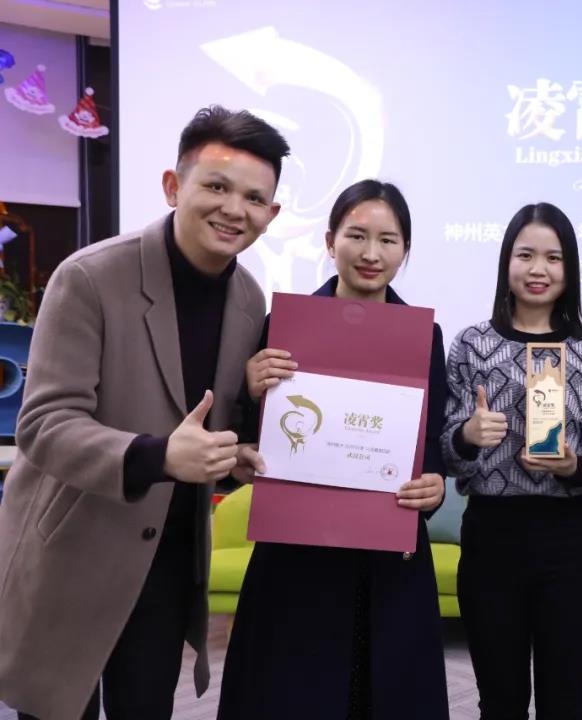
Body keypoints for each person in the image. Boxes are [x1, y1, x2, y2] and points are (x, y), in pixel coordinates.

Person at [0, 106, 289, 720]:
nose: (234, 209)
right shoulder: (90, 277)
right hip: (71, 552)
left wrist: (233, 455)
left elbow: (205, 424)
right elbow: (44, 425)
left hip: (166, 561)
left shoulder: (248, 298)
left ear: (272, 214)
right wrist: (159, 456)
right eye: (216, 186)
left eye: (254, 198)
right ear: (172, 186)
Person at [217, 179, 449, 720]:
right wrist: (250, 387)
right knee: (292, 693)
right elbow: (248, 438)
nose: (371, 253)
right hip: (300, 552)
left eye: (388, 240)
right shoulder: (284, 326)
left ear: (405, 251)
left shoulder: (426, 337)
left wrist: (434, 485)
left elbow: (431, 443)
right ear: (329, 241)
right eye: (357, 235)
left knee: (382, 691)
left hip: (388, 556)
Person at [441, 202, 582, 719]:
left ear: (570, 268)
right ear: (506, 262)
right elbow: (443, 452)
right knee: (500, 700)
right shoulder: (471, 344)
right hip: (492, 538)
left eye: (553, 258)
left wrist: (572, 466)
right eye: (526, 255)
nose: (539, 269)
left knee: (565, 702)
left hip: (567, 539)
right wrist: (467, 436)